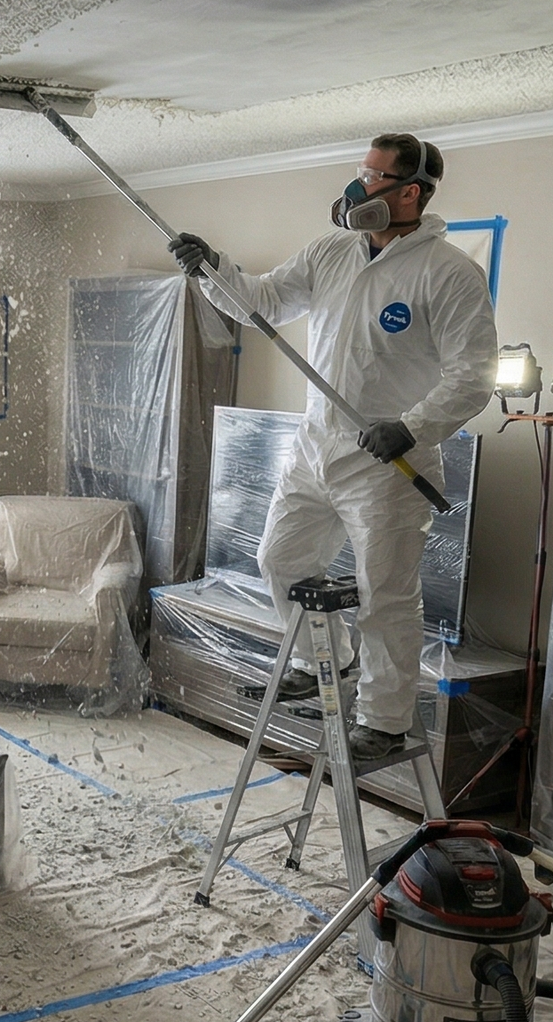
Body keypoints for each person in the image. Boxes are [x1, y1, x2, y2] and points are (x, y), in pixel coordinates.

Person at [169, 133, 497, 760]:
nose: (356, 187)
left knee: (385, 593)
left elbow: (473, 375)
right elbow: (261, 302)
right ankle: (332, 659)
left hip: (388, 464)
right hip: (316, 446)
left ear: (409, 192)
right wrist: (212, 267)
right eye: (359, 171)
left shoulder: (448, 273)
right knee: (280, 558)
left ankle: (385, 718)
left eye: (372, 176)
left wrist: (412, 425)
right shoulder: (331, 252)